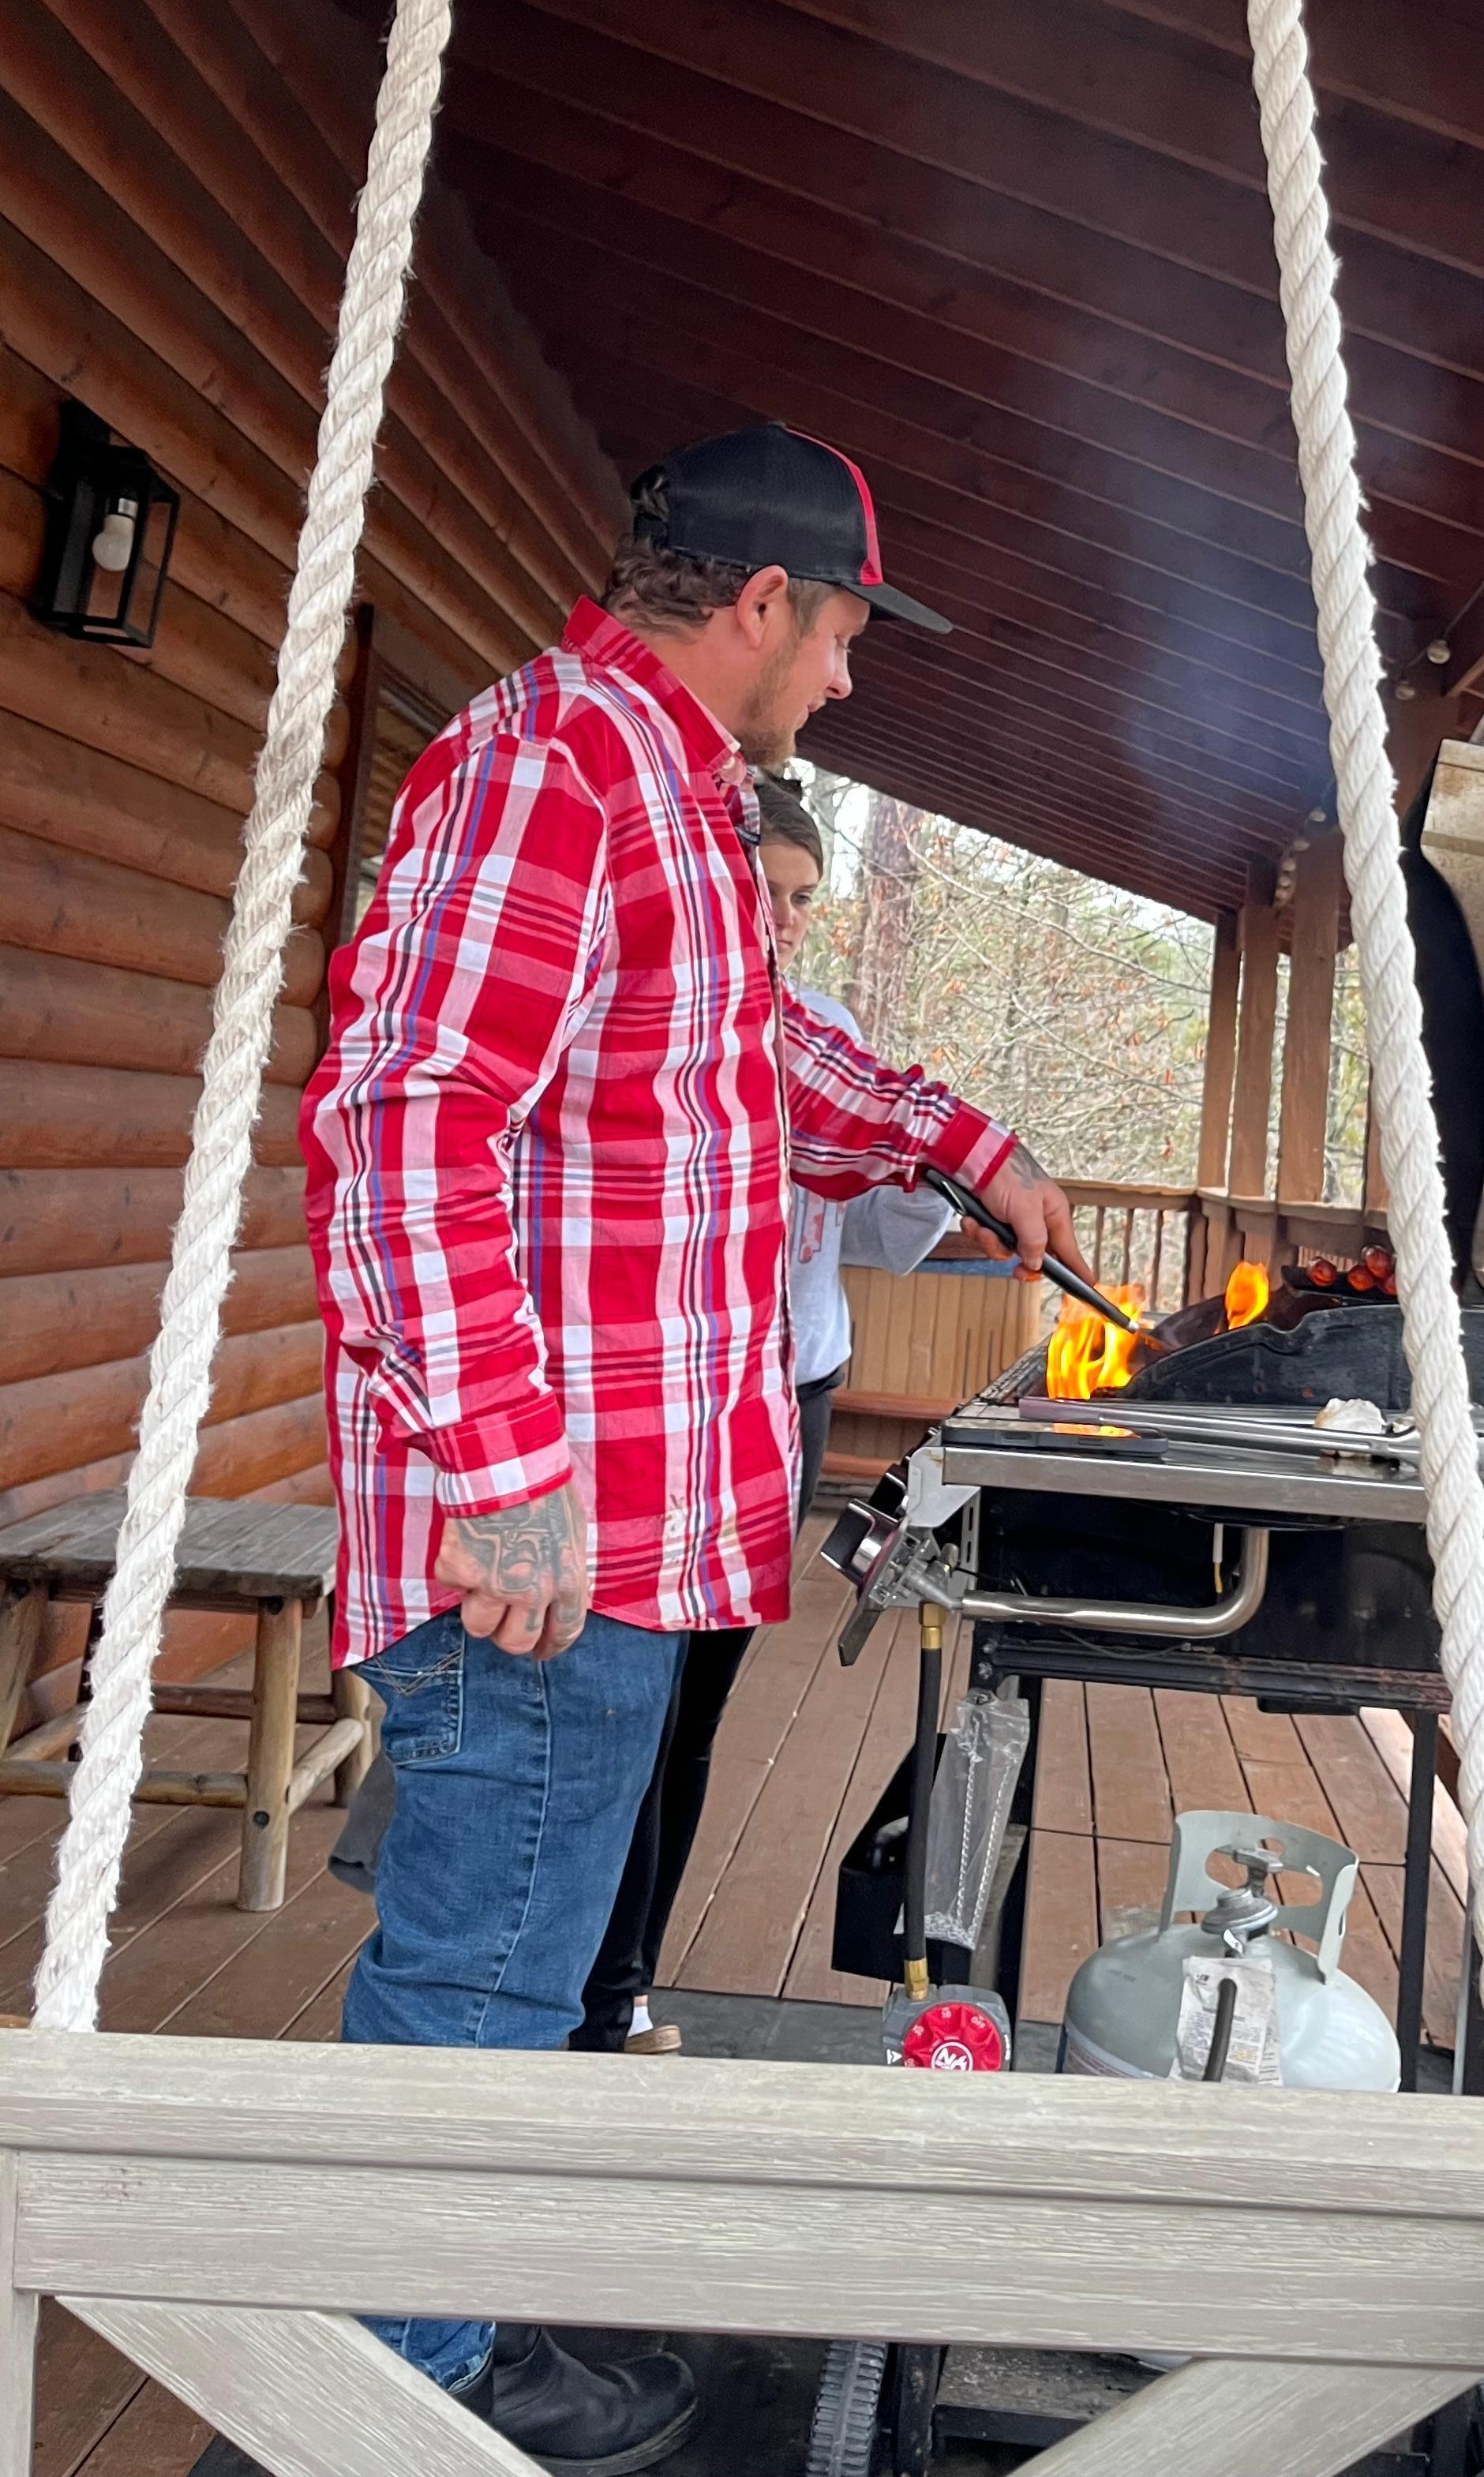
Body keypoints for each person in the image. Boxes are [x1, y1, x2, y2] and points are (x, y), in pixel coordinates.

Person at [218, 427, 1089, 2477]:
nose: (854, 682)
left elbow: (747, 1051)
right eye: (852, 634)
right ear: (765, 603)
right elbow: (403, 1120)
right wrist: (505, 1465)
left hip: (612, 1535)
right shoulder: (550, 762)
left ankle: (441, 2332)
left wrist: (968, 1145)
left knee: (520, 1978)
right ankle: (401, 2396)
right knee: (479, 1988)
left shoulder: (668, 791)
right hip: (540, 1546)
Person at [571, 770, 954, 2057]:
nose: (786, 919)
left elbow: (897, 1236)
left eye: (802, 899)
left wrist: (924, 1149)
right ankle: (588, 1985)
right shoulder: (659, 1023)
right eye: (770, 891)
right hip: (664, 1400)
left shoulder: (825, 1033)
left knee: (698, 1704)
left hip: (790, 1390)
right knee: (630, 1693)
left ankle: (625, 1986)